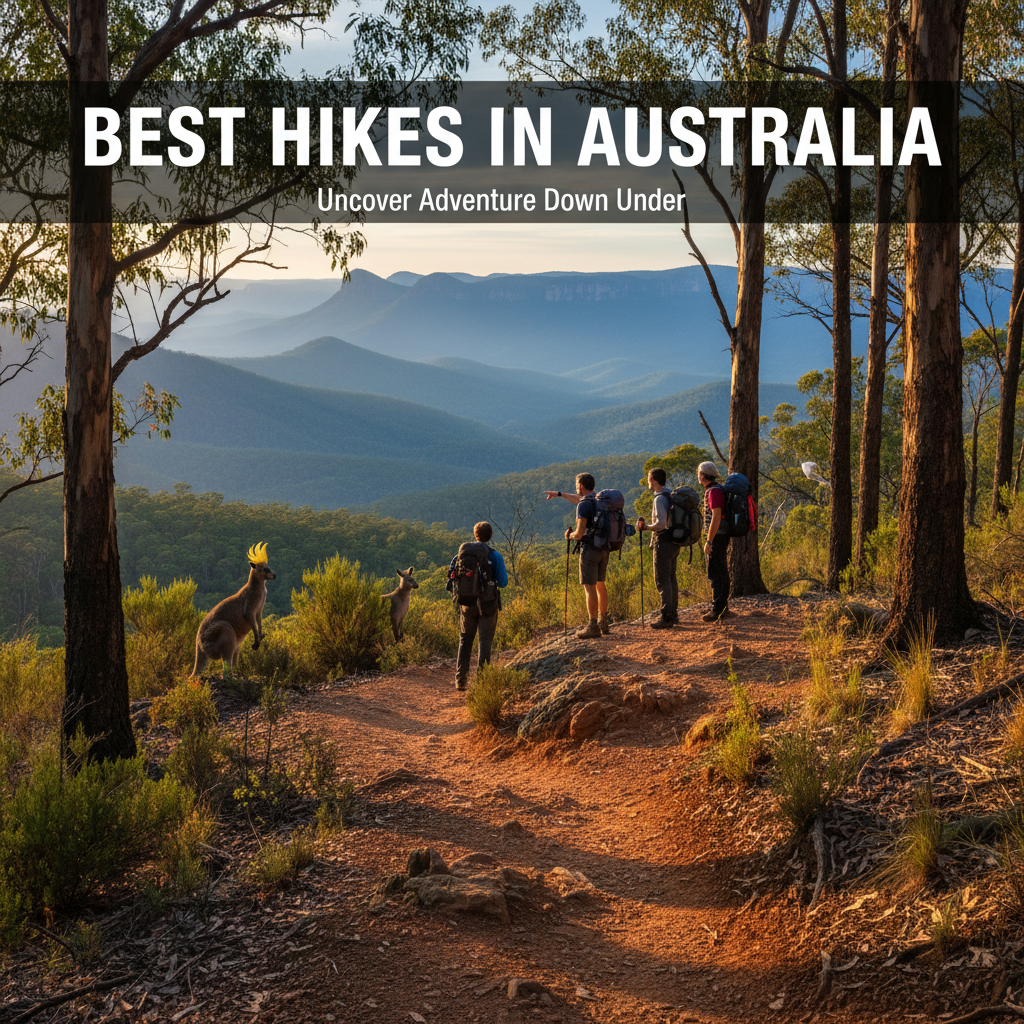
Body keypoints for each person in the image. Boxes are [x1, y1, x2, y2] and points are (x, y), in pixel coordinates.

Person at [544, 473, 609, 638]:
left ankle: (592, 625)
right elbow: (576, 498)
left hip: (590, 550)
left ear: (580, 486)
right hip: (604, 547)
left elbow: (579, 533)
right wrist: (559, 494)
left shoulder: (583, 505)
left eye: (576, 484)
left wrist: (569, 536)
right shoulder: (600, 500)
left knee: (589, 587)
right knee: (601, 584)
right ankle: (603, 621)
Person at [449, 521, 508, 691]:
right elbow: (503, 582)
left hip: (467, 603)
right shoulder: (495, 556)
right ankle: (482, 682)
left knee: (465, 640)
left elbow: (453, 578)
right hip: (488, 604)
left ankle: (461, 680)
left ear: (475, 535)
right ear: (490, 536)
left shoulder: (462, 554)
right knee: (485, 641)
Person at [635, 467, 679, 629]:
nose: (648, 481)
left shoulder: (659, 498)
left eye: (648, 478)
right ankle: (673, 614)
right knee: (671, 577)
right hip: (674, 541)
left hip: (663, 542)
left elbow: (661, 524)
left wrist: (646, 527)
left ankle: (667, 617)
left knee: (662, 580)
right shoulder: (670, 494)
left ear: (653, 480)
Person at [698, 461, 734, 623]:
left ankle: (718, 608)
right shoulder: (716, 490)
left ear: (704, 476)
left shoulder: (713, 492)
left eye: (699, 473)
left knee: (716, 572)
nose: (698, 476)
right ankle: (721, 606)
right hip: (720, 535)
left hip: (717, 536)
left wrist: (709, 541)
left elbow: (716, 517)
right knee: (719, 570)